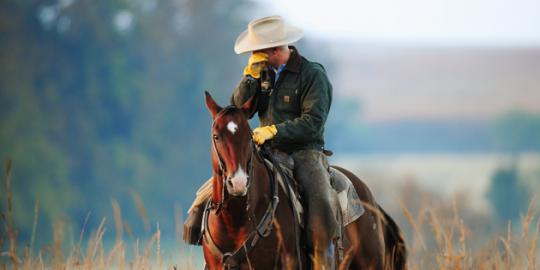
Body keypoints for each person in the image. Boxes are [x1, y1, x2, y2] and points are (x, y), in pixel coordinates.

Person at [184, 15, 340, 269]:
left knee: (319, 197)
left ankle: (325, 258)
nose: (254, 56)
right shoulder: (261, 73)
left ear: (275, 49)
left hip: (305, 152)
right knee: (210, 191)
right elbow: (235, 113)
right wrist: (249, 78)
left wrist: (274, 131)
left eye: (258, 52)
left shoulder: (313, 74)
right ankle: (203, 239)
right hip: (263, 149)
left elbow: (313, 122)